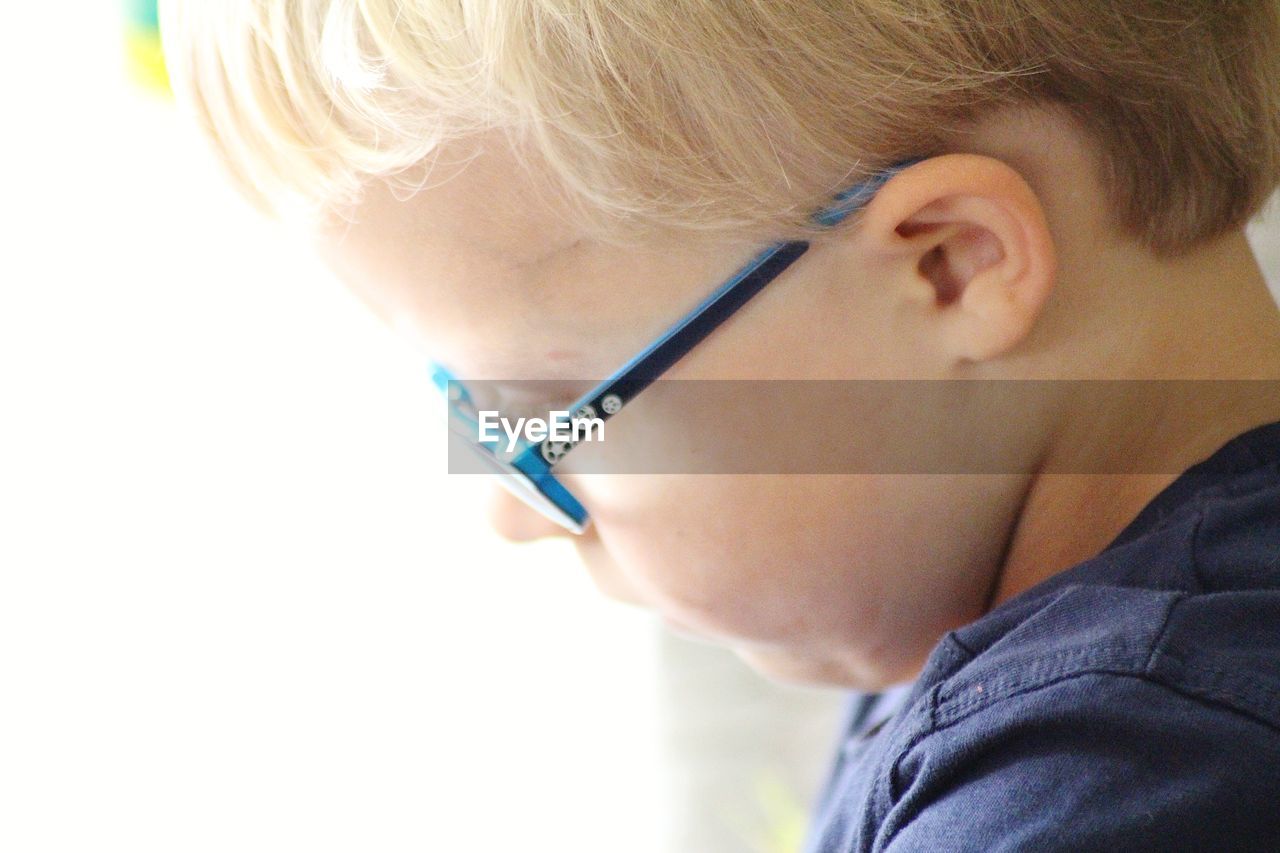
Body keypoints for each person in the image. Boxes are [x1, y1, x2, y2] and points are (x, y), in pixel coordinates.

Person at [159, 1, 1280, 849]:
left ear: (947, 265)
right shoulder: (991, 599)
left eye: (548, 416)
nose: (514, 511)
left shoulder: (1116, 780)